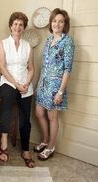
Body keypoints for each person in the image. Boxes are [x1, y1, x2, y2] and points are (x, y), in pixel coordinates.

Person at [34, 8, 75, 161]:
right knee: (39, 112)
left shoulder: (68, 41)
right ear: (51, 23)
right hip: (44, 83)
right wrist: (38, 85)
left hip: (56, 86)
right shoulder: (49, 40)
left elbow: (67, 69)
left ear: (65, 24)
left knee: (52, 117)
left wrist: (60, 92)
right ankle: (45, 140)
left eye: (61, 21)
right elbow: (44, 65)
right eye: (54, 21)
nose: (57, 24)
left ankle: (51, 147)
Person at [0, 12, 35, 168]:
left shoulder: (28, 46)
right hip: (8, 81)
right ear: (10, 26)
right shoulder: (3, 44)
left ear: (23, 27)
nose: (18, 27)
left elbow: (31, 68)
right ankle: (3, 144)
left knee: (26, 117)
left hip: (25, 83)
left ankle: (25, 150)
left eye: (21, 24)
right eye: (15, 24)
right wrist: (16, 84)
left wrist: (26, 83)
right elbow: (2, 68)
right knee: (6, 107)